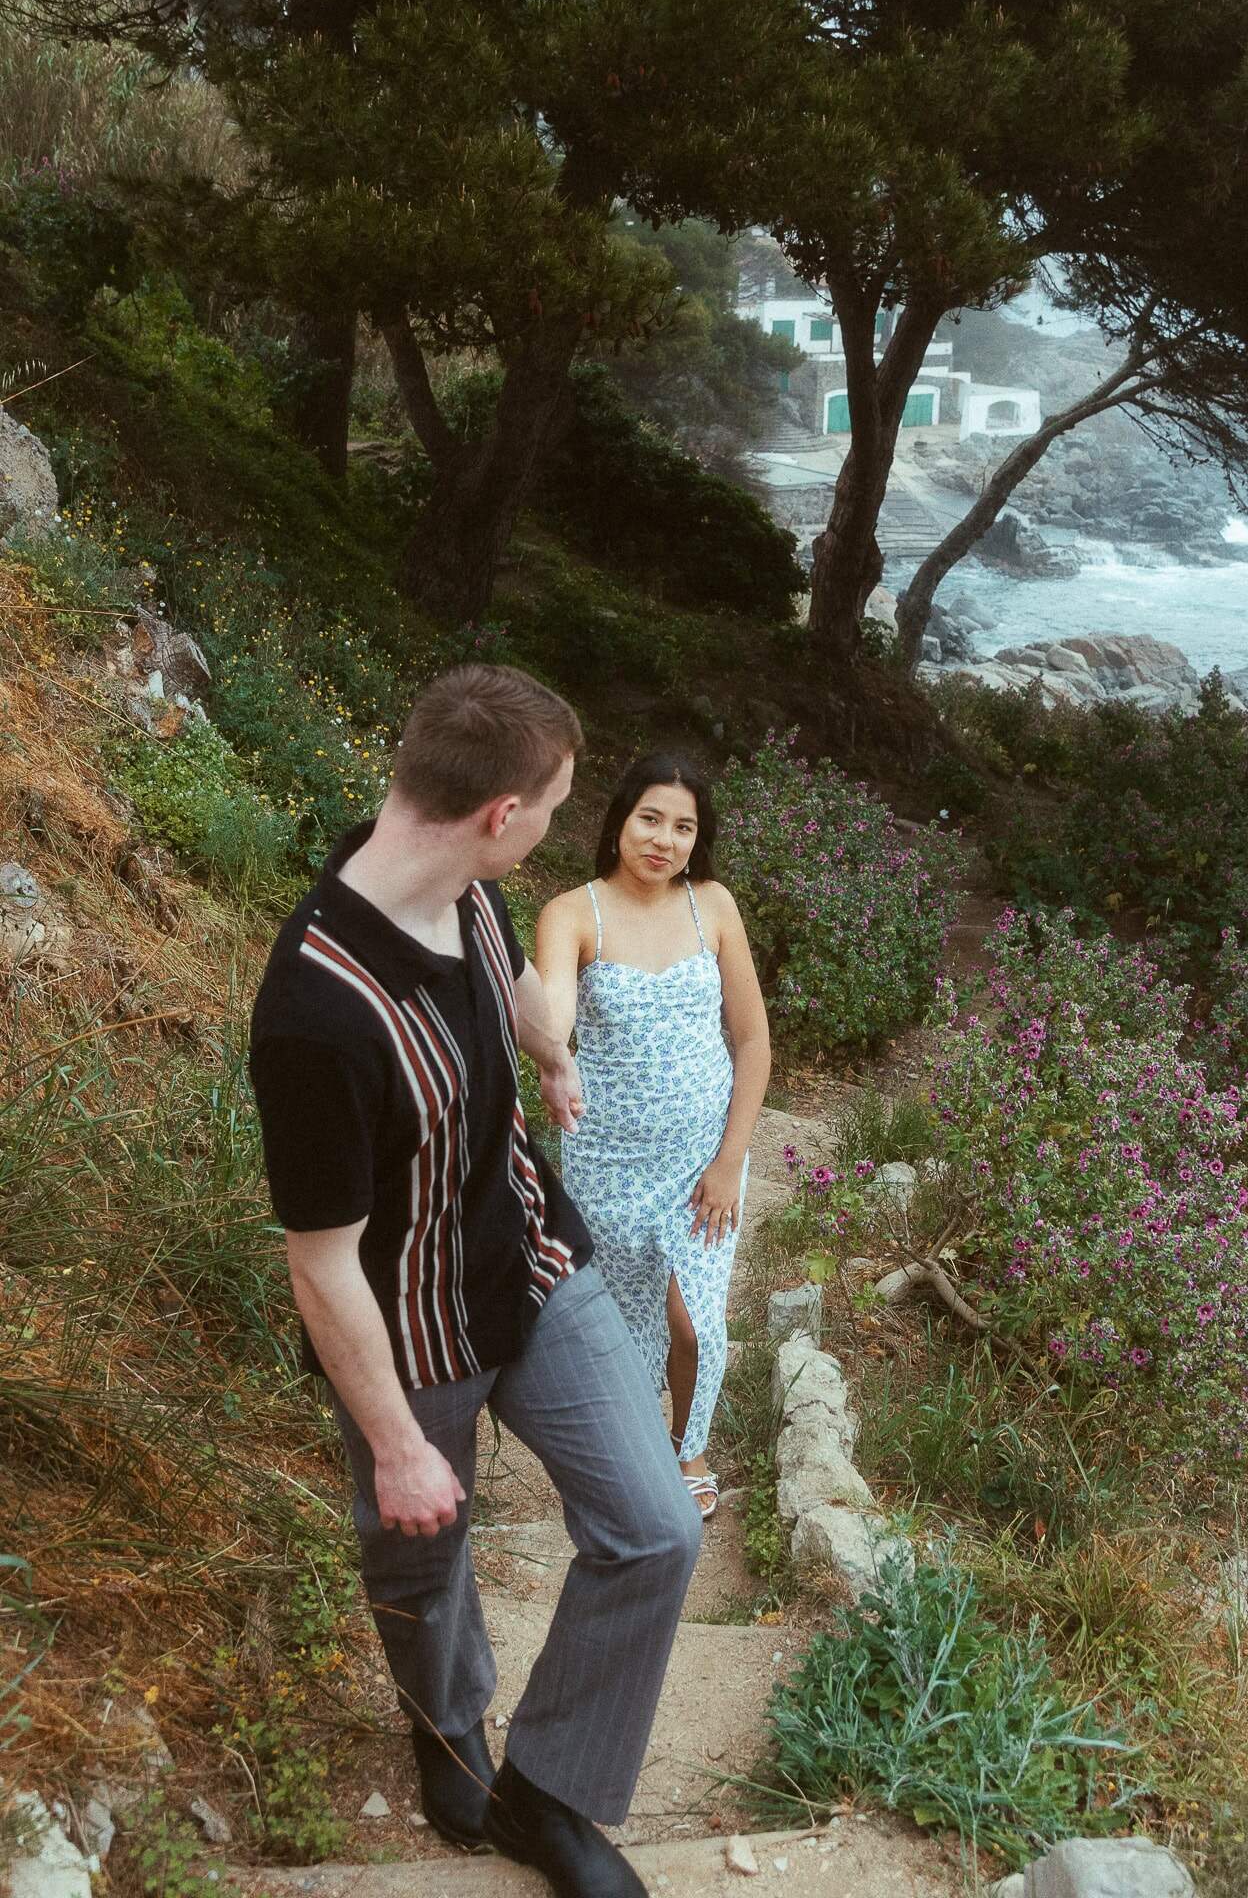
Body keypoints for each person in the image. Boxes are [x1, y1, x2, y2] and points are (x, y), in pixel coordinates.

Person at [249, 667, 700, 1898]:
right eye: (551, 806)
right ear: (501, 812)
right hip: (407, 1328)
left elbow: (504, 975)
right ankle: (447, 1730)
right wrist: (398, 1446)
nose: (555, 827)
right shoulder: (314, 1016)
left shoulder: (457, 874)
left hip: (531, 1259)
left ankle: (545, 1791)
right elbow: (320, 1261)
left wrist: (547, 1047)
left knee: (657, 1528)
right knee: (421, 1554)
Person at [535, 753, 770, 1522]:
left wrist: (729, 1160)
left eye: (683, 827)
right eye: (650, 819)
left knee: (693, 1323)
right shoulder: (573, 914)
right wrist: (550, 1049)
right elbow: (555, 1014)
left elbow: (752, 1041)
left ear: (698, 840)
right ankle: (632, 1464)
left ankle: (687, 1447)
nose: (663, 840)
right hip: (606, 1165)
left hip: (703, 1161)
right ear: (619, 821)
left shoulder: (713, 906)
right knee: (624, 1328)